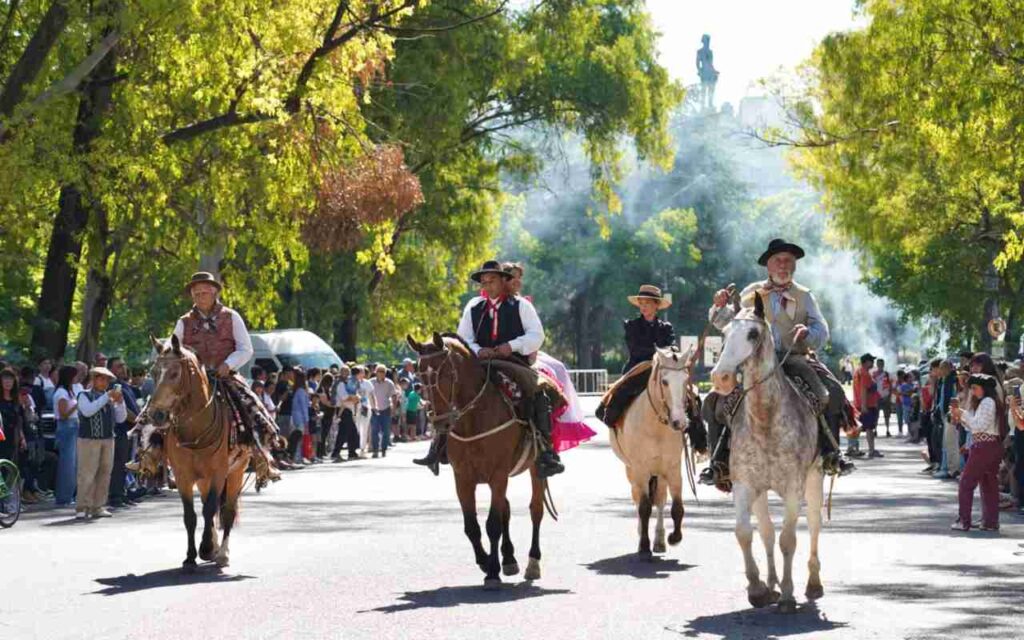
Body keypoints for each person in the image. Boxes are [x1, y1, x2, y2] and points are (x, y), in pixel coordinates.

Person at [700, 239, 855, 487]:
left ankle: (832, 454)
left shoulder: (805, 296)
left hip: (794, 359)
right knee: (715, 402)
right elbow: (727, 323)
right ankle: (718, 462)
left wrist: (808, 333)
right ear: (768, 266)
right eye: (778, 261)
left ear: (794, 265)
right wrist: (718, 306)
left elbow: (822, 330)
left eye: (788, 261)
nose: (783, 265)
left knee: (831, 393)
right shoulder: (750, 293)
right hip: (753, 365)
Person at [414, 260, 564, 478]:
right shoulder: (474, 307)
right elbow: (463, 338)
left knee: (538, 390)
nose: (487, 285)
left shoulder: (521, 305)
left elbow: (536, 336)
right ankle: (439, 446)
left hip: (513, 362)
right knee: (452, 392)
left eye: (491, 280)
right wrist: (477, 350)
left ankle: (545, 451)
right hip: (479, 363)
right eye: (484, 282)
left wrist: (510, 346)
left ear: (504, 281)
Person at [131, 272, 281, 485]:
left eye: (204, 292)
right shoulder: (183, 321)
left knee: (252, 409)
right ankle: (149, 455)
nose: (199, 296)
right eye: (195, 293)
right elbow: (173, 349)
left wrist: (228, 365)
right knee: (155, 407)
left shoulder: (231, 316)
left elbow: (245, 349)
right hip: (191, 379)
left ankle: (262, 457)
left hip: (225, 376)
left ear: (214, 292)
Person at [505, 262, 596, 452]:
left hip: (524, 354)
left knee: (556, 371)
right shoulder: (481, 305)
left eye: (519, 278)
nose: (518, 282)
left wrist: (526, 350)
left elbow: (534, 334)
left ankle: (548, 441)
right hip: (494, 354)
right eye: (513, 277)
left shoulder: (523, 304)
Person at [596, 284, 676, 429]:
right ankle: (615, 426)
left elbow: (671, 349)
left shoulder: (666, 328)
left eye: (647, 303)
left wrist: (666, 353)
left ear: (656, 305)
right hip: (637, 369)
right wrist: (659, 352)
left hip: (661, 370)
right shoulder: (631, 326)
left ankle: (697, 438)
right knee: (620, 395)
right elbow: (636, 350)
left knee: (687, 395)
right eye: (641, 303)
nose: (643, 307)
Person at [951, 374, 1004, 531]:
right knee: (988, 484)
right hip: (989, 445)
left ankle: (964, 520)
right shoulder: (988, 402)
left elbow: (979, 426)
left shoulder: (987, 402)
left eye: (975, 388)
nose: (973, 392)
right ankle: (990, 522)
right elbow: (974, 427)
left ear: (984, 388)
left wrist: (963, 414)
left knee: (966, 483)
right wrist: (960, 416)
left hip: (984, 446)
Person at [76, 367, 126, 519]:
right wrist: (107, 398)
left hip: (108, 439)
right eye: (101, 378)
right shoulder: (83, 395)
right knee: (87, 473)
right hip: (89, 439)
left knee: (105, 473)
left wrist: (120, 403)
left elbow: (121, 418)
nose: (104, 382)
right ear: (93, 379)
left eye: (107, 380)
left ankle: (98, 506)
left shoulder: (109, 398)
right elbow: (88, 411)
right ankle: (82, 507)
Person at [53, 365, 80, 507]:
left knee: (74, 464)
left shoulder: (70, 391)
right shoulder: (61, 393)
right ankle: (63, 497)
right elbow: (63, 414)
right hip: (67, 427)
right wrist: (77, 406)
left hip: (74, 426)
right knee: (67, 464)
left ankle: (70, 495)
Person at [853, 353, 882, 458]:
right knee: (869, 428)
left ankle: (853, 448)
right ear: (866, 362)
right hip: (867, 405)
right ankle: (871, 450)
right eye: (871, 360)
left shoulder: (858, 371)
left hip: (862, 404)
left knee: (860, 427)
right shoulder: (864, 373)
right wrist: (864, 405)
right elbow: (864, 390)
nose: (873, 362)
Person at [330, 366, 361, 461]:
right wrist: (355, 398)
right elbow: (344, 397)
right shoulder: (340, 384)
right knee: (343, 433)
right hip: (342, 410)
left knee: (352, 432)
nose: (347, 374)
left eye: (348, 372)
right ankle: (335, 453)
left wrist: (355, 397)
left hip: (348, 410)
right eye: (345, 372)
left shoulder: (346, 383)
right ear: (341, 373)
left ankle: (352, 452)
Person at [370, 364, 399, 458]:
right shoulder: (371, 382)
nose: (381, 374)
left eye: (383, 372)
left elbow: (394, 396)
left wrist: (394, 409)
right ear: (376, 372)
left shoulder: (389, 383)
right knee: (374, 430)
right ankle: (375, 450)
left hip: (386, 409)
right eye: (379, 371)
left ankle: (383, 449)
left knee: (386, 431)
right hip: (374, 409)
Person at [873, 359, 894, 436]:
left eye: (881, 364)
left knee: (887, 415)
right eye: (879, 364)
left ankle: (887, 430)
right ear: (877, 364)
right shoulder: (874, 375)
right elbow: (872, 387)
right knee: (876, 415)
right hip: (877, 397)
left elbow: (891, 386)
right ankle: (875, 430)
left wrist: (889, 397)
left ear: (883, 365)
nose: (880, 365)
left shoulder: (887, 374)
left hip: (886, 397)